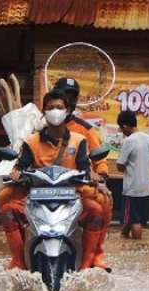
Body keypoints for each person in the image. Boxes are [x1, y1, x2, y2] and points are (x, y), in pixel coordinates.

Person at [0, 89, 106, 270]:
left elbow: (84, 167)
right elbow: (22, 165)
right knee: (6, 206)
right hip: (36, 195)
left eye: (59, 107)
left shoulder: (79, 140)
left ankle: (91, 260)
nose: (55, 111)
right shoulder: (31, 141)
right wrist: (16, 173)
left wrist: (93, 175)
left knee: (98, 208)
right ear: (43, 112)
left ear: (67, 111)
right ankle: (17, 260)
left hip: (72, 193)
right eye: (50, 107)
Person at [53, 77, 113, 271]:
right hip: (42, 187)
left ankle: (96, 254)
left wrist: (100, 176)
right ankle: (17, 258)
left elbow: (99, 160)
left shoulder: (85, 130)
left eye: (72, 96)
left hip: (75, 188)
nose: (69, 99)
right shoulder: (38, 127)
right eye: (65, 95)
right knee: (9, 202)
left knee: (103, 202)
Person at [116, 111, 149, 240]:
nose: (122, 132)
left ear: (125, 126)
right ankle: (124, 236)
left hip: (132, 188)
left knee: (134, 221)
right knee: (134, 218)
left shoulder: (129, 140)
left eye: (121, 129)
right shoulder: (148, 138)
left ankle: (136, 247)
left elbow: (120, 166)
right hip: (146, 188)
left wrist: (127, 166)